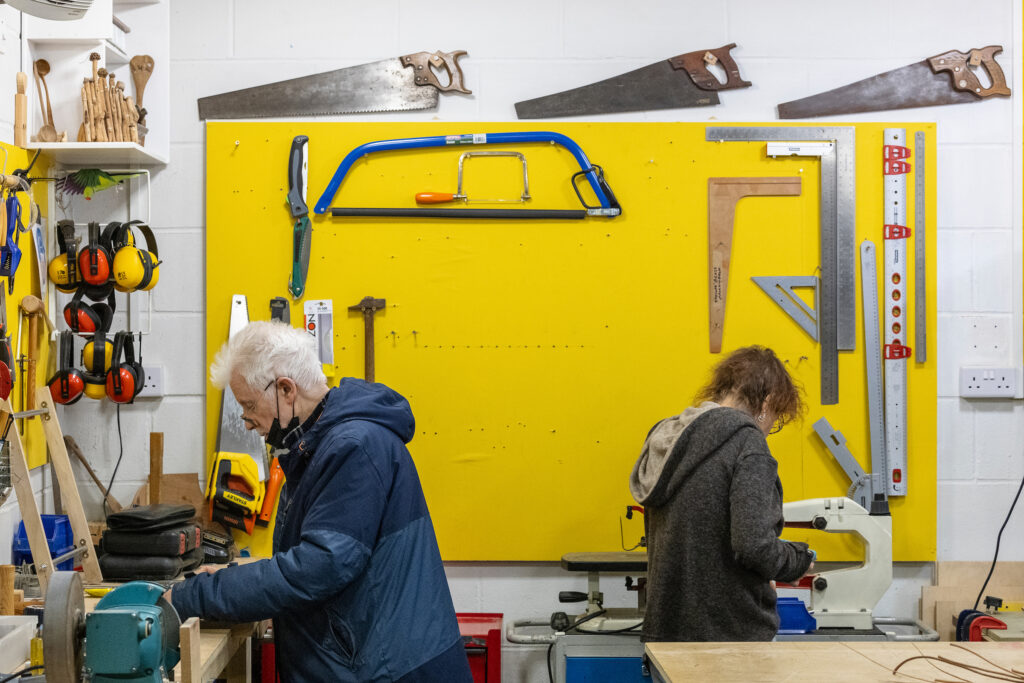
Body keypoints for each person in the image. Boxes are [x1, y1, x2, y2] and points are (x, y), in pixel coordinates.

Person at [168, 321, 472, 682]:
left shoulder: (353, 447)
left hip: (390, 670)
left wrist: (191, 597)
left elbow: (318, 569)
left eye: (249, 405)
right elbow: (319, 552)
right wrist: (236, 579)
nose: (247, 422)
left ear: (285, 389)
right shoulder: (317, 446)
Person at [629, 345, 815, 642]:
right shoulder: (747, 444)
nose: (769, 429)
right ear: (766, 402)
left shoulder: (668, 438)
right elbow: (754, 546)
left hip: (665, 633)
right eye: (775, 418)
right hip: (730, 637)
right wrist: (798, 560)